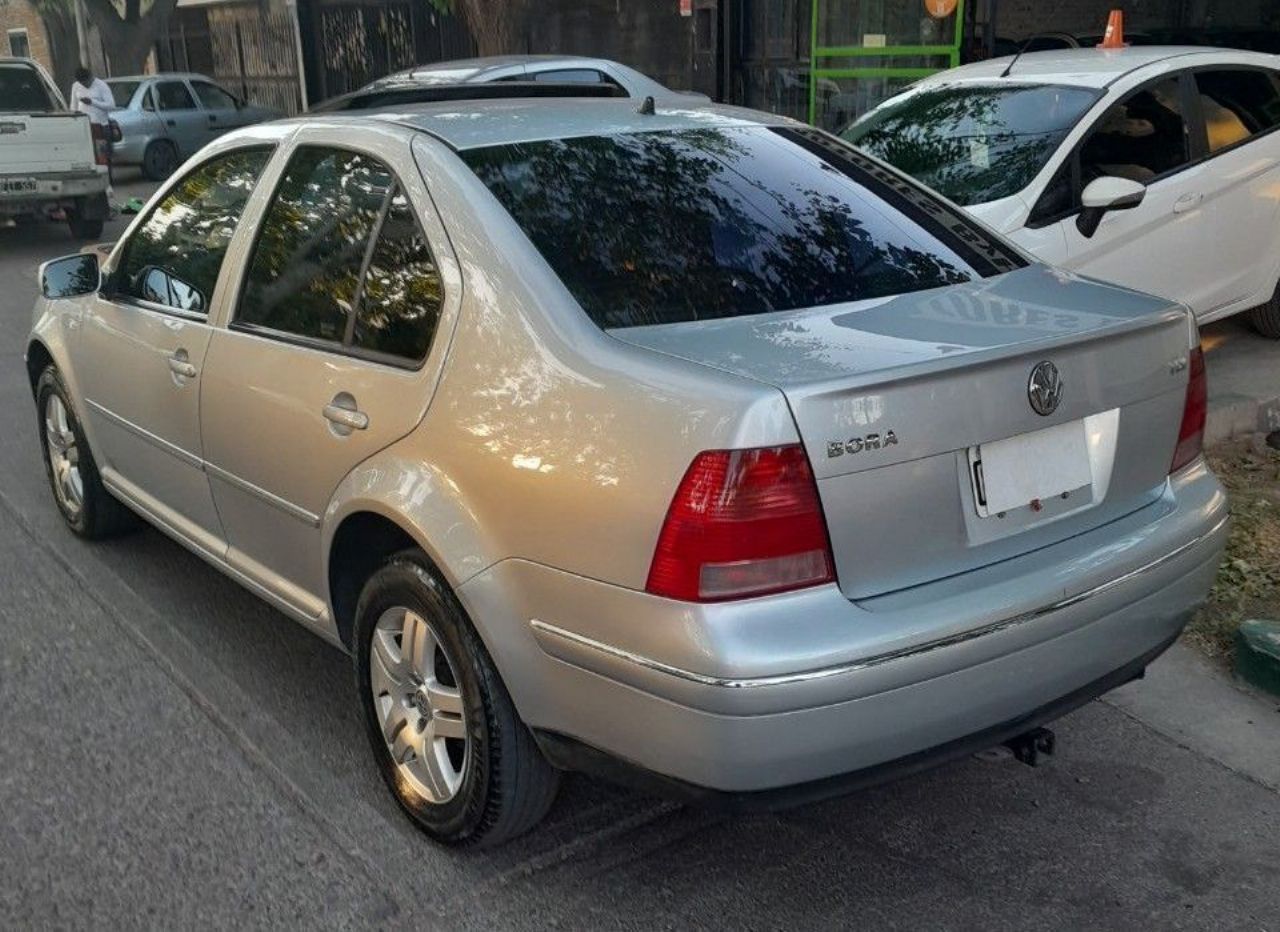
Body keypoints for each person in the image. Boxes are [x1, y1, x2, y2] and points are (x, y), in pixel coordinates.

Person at [70, 65, 116, 194]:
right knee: (88, 157)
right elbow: (73, 106)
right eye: (82, 83)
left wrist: (93, 102)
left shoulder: (101, 85)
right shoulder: (76, 86)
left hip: (100, 126)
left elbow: (111, 105)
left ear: (91, 77)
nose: (85, 85)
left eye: (87, 82)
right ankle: (91, 183)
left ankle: (107, 183)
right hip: (85, 126)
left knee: (102, 155)